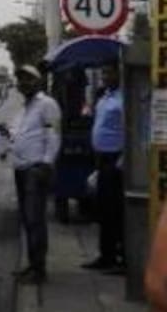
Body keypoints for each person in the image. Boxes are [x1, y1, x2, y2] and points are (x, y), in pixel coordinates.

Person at [9, 64, 62, 285]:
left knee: (34, 219)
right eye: (21, 79)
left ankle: (39, 270)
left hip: (35, 169)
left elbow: (54, 134)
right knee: (27, 220)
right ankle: (32, 265)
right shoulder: (25, 107)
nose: (24, 83)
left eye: (28, 79)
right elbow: (21, 133)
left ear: (38, 82)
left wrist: (47, 163)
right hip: (22, 169)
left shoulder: (47, 104)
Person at [81, 62, 124, 273]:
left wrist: (123, 159)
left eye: (109, 73)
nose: (105, 76)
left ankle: (121, 259)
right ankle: (105, 256)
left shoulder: (124, 98)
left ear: (119, 73)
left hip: (117, 161)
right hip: (102, 159)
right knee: (103, 211)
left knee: (117, 212)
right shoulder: (105, 97)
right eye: (103, 72)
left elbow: (132, 128)